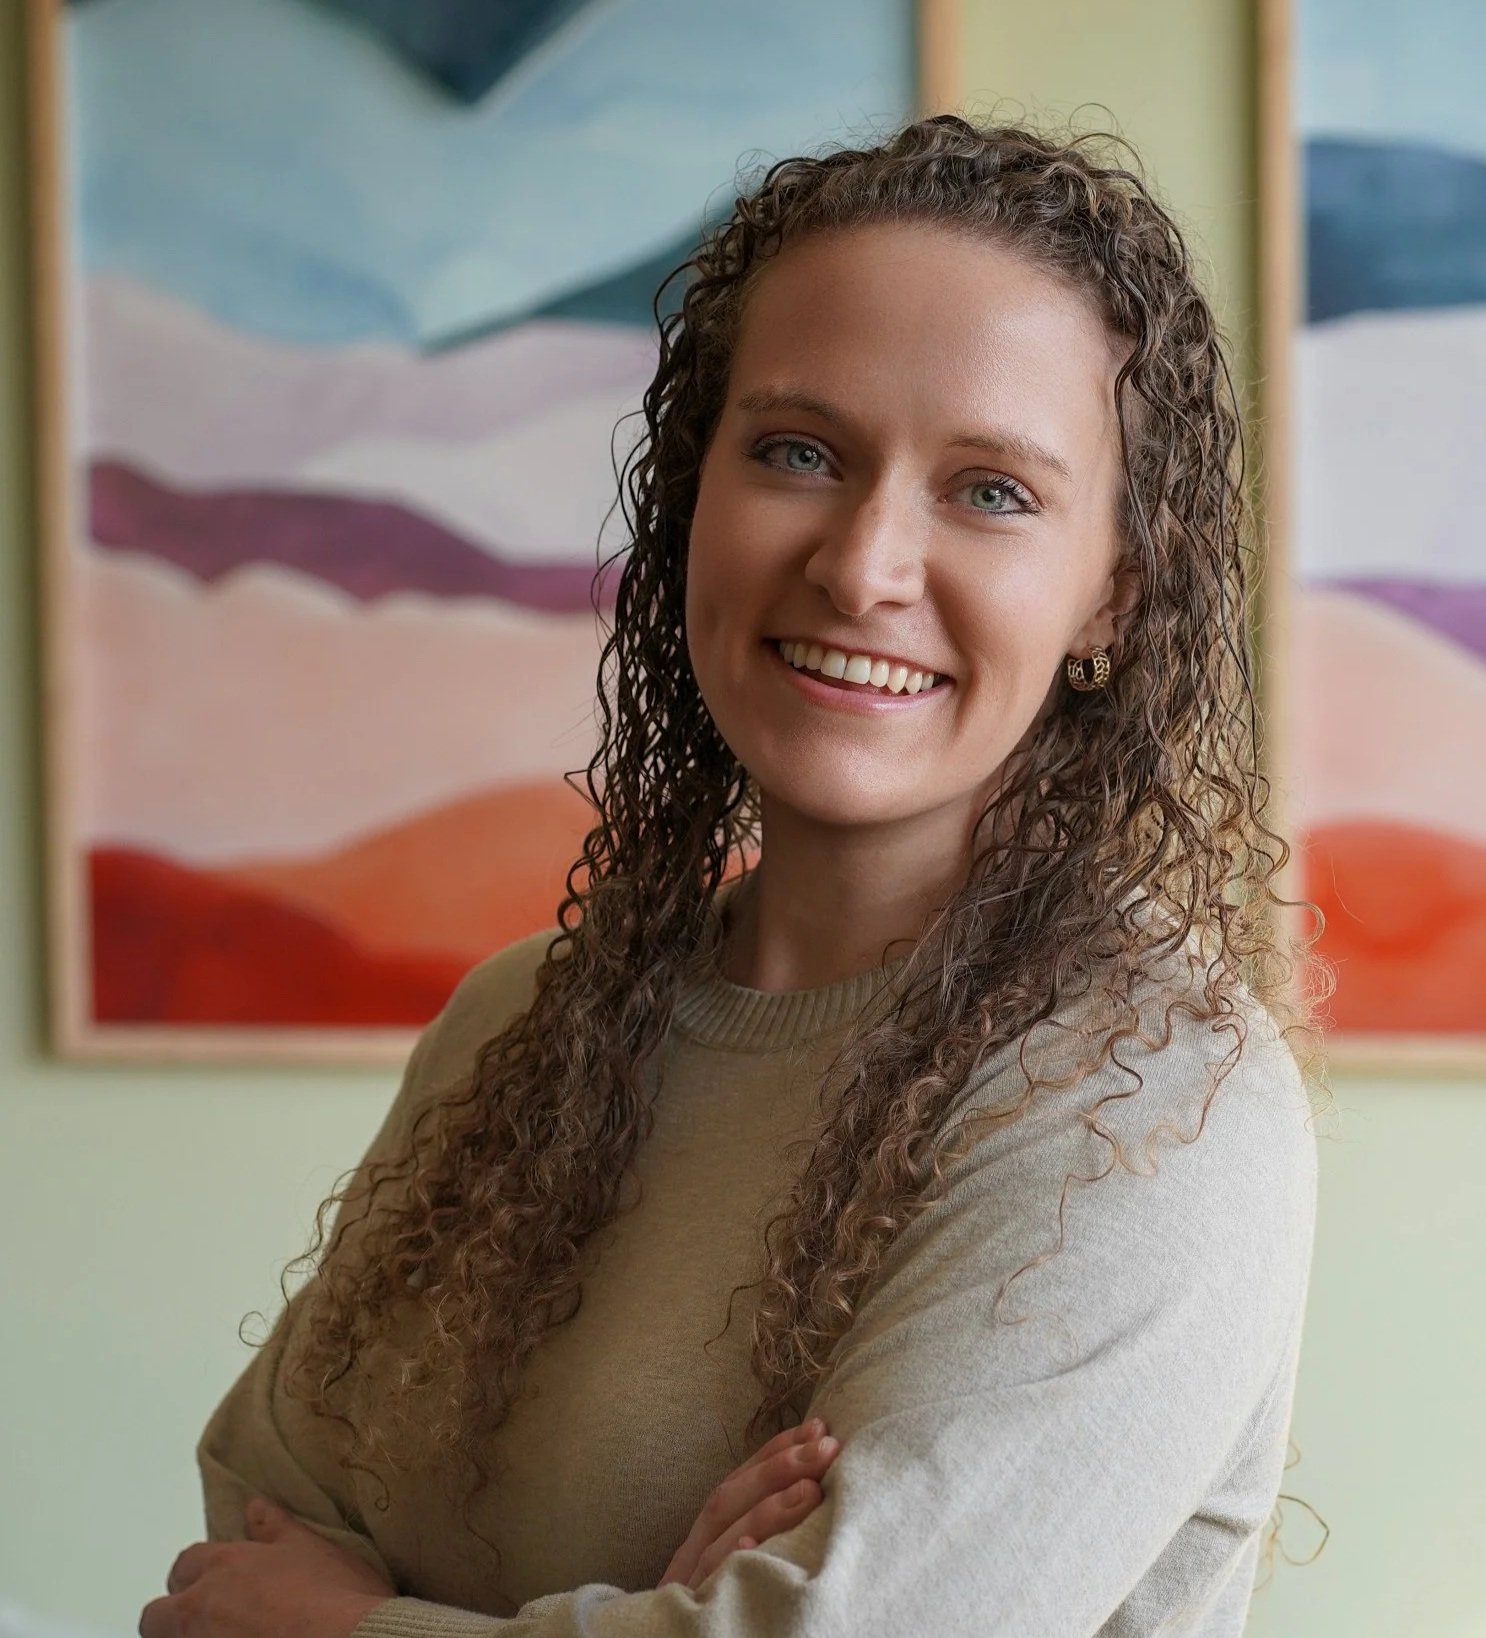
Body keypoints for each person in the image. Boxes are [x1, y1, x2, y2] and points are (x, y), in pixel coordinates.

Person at [141, 112, 1328, 1638]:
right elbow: (251, 1530)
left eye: (989, 490)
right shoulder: (523, 1018)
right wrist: (659, 1612)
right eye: (797, 453)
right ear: (688, 494)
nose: (861, 564)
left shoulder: (1149, 1099)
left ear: (1112, 594)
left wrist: (358, 1625)